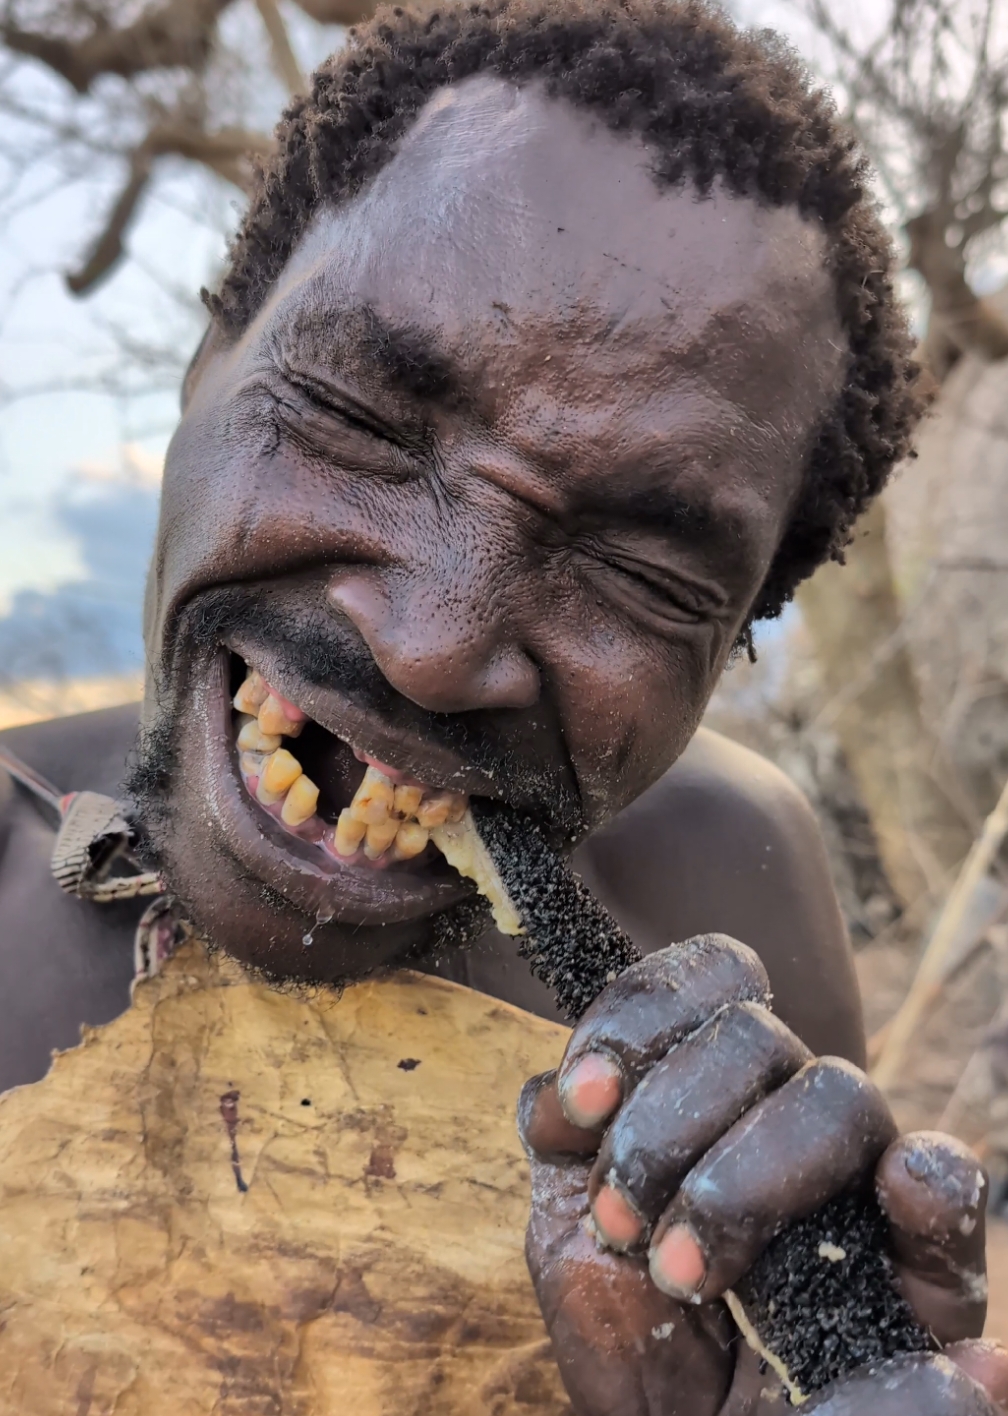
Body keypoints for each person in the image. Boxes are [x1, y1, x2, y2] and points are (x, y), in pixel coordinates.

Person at [1, 1, 1005, 1409]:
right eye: (354, 419)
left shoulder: (729, 890)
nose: (430, 646)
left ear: (727, 654)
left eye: (638, 573)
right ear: (208, 360)